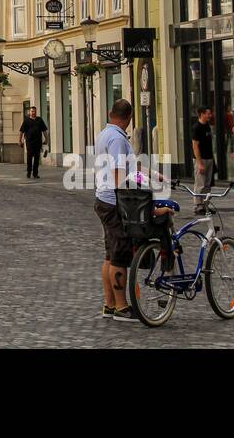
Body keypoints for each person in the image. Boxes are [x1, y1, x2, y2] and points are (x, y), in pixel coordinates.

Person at [93, 99, 137, 322]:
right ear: (128, 117)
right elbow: (120, 173)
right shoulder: (118, 139)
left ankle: (109, 304)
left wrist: (150, 175)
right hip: (113, 200)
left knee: (110, 254)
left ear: (111, 114)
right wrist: (126, 201)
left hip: (102, 197)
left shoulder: (104, 135)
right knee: (119, 254)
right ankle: (121, 307)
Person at [191, 108, 215, 215]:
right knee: (200, 183)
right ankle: (198, 206)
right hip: (201, 159)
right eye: (208, 113)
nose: (210, 115)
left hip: (209, 158)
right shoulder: (197, 127)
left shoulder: (207, 126)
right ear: (202, 114)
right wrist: (199, 162)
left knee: (207, 184)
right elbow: (195, 146)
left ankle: (206, 205)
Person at [20, 106, 48, 179]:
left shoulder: (39, 120)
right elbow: (21, 131)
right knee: (29, 158)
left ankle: (35, 173)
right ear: (30, 112)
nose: (33, 113)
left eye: (34, 111)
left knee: (37, 158)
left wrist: (47, 139)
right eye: (32, 111)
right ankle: (29, 172)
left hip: (38, 142)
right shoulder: (26, 121)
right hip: (29, 142)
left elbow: (44, 130)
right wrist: (20, 140)